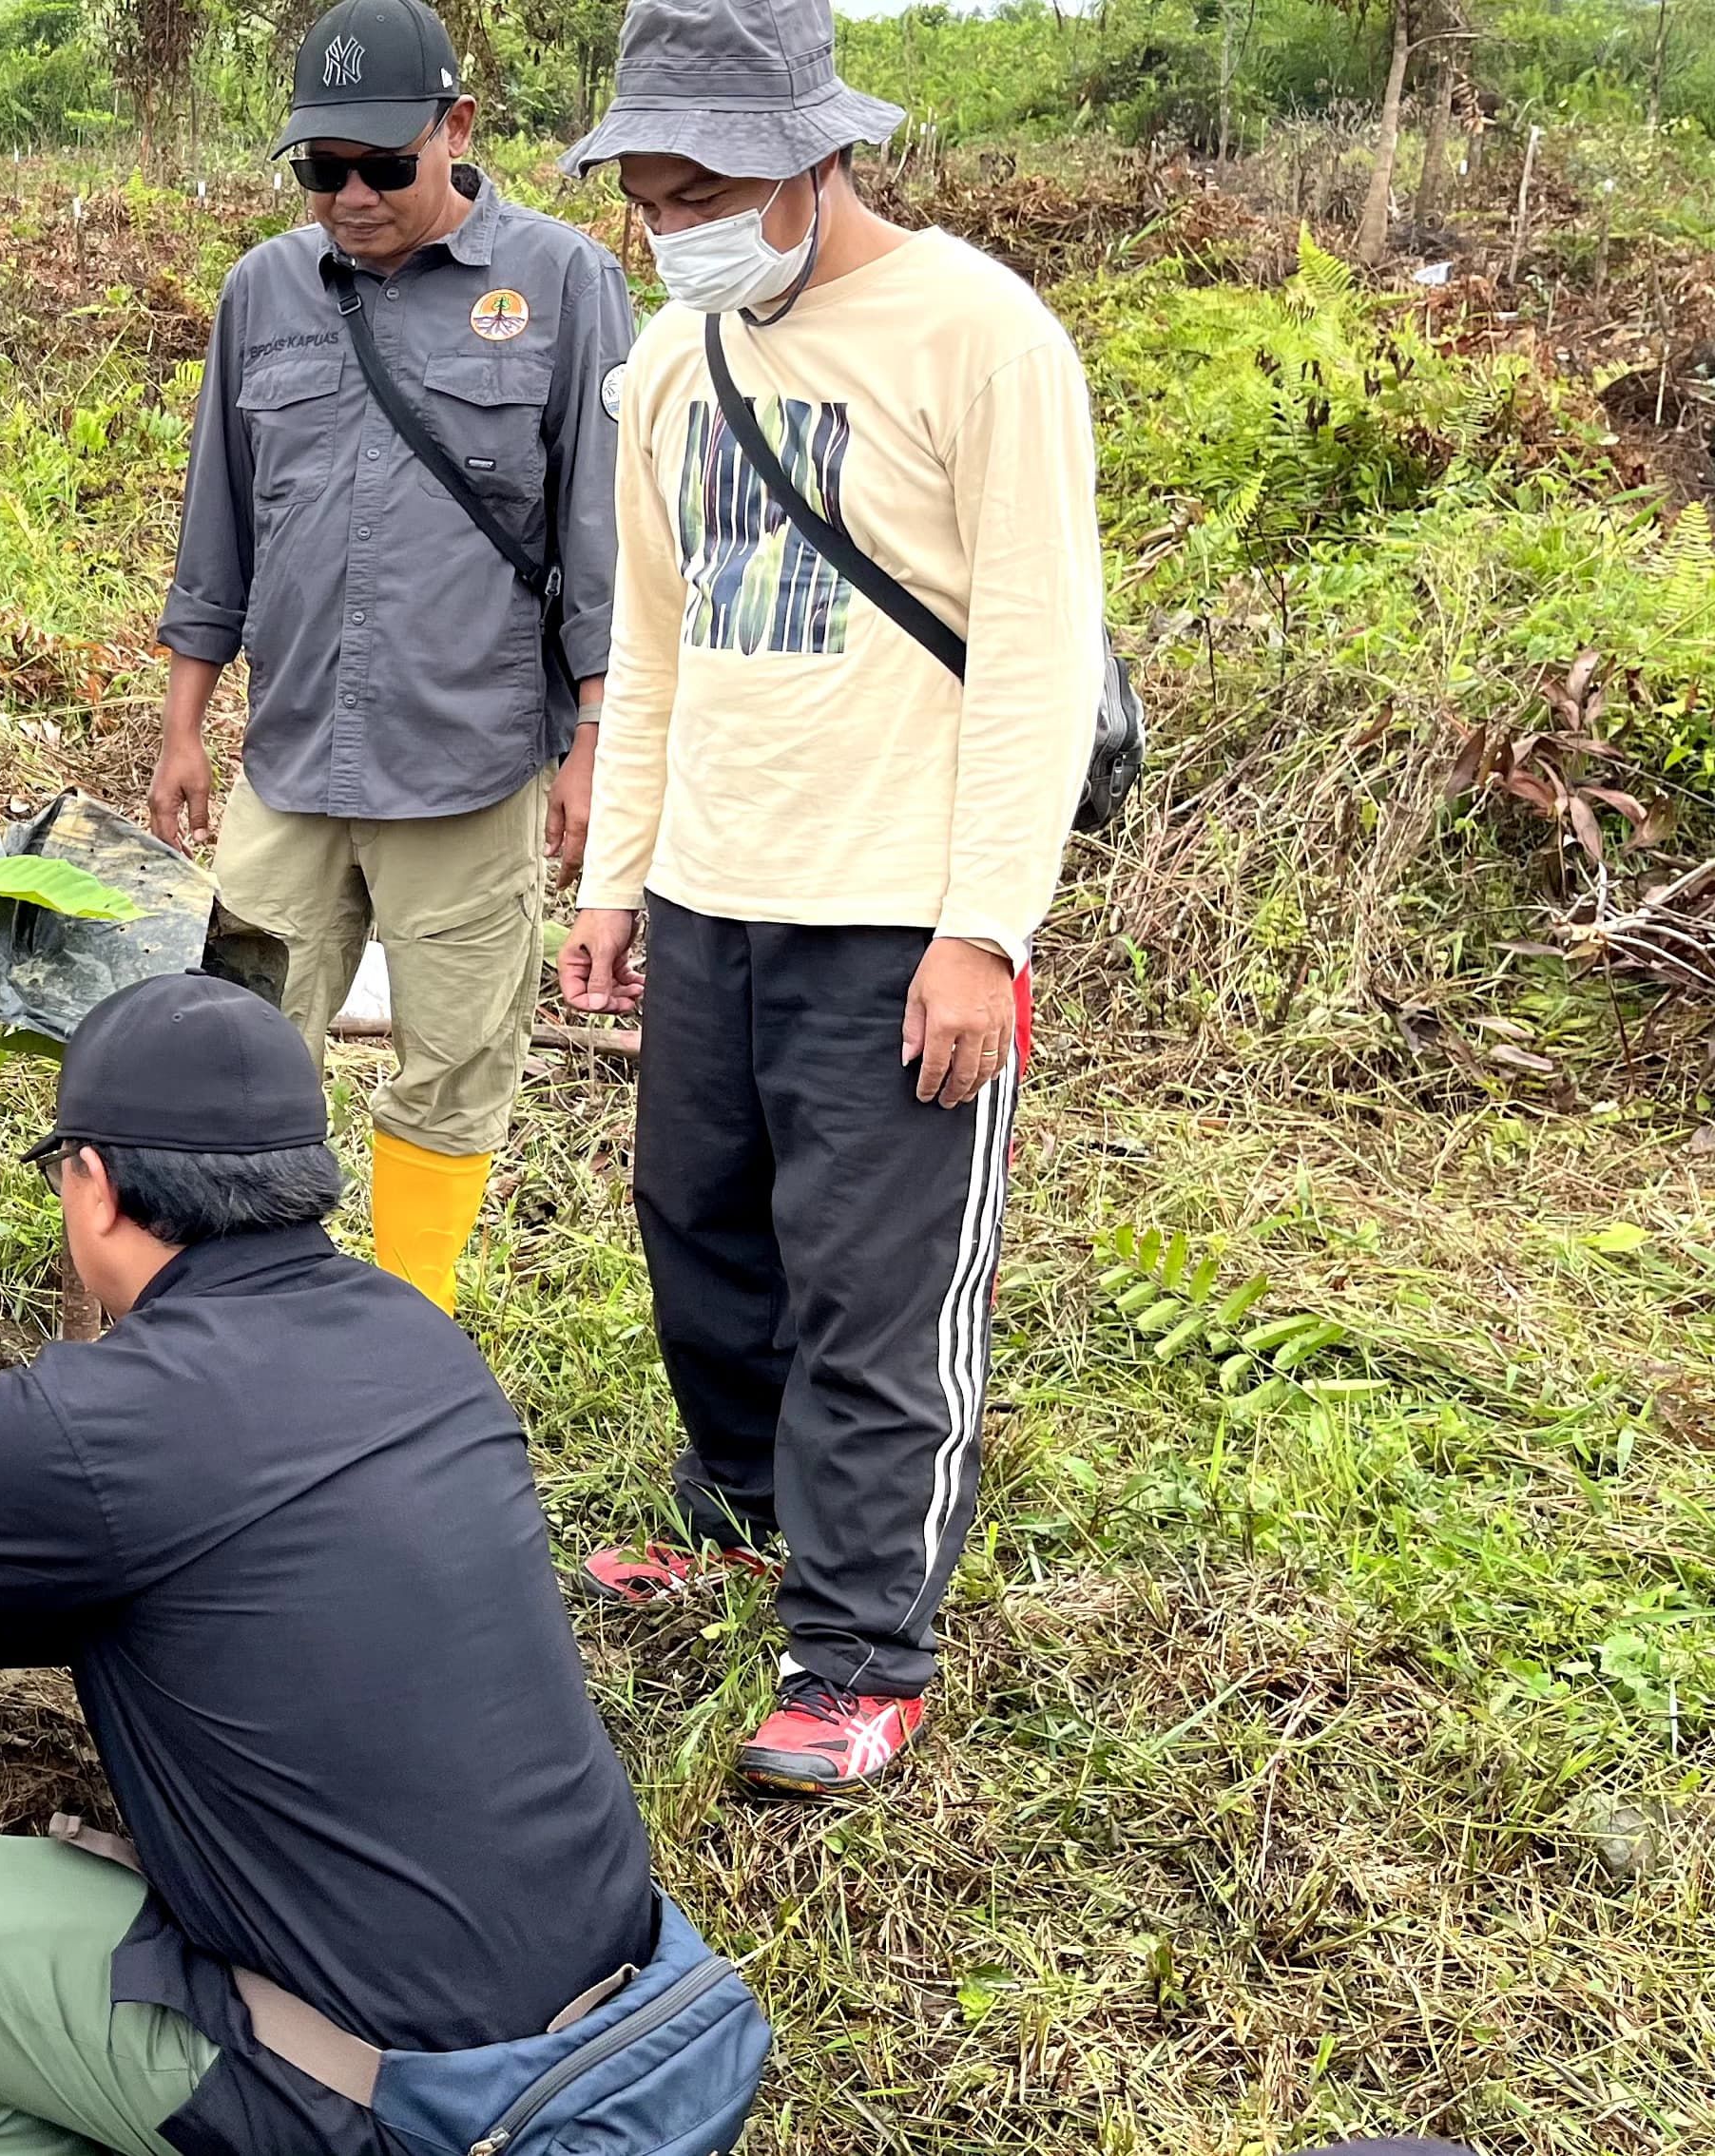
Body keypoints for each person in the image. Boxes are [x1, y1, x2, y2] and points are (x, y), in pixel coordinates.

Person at [0, 974, 671, 2156]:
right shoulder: (419, 1339)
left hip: (415, 2107)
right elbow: (102, 1596)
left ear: (94, 1185)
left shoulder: (86, 1425)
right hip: (627, 2024)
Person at [555, 0, 1105, 1796]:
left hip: (896, 906)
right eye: (644, 193)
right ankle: (739, 1511)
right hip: (715, 885)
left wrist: (981, 932)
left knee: (876, 1287)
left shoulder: (978, 333)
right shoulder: (667, 358)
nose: (672, 222)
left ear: (810, 153)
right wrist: (614, 875)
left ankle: (860, 1645)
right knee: (698, 1233)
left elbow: (1032, 657)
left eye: (701, 184)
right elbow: (650, 645)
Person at [147, 0, 630, 1317]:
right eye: (321, 171)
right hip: (291, 756)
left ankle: (411, 1321)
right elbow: (220, 527)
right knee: (243, 1041)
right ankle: (248, 1317)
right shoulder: (264, 293)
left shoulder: (564, 287)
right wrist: (186, 727)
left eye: (381, 166)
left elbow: (604, 543)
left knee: (456, 1054)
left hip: (468, 761)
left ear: (457, 129)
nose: (349, 197)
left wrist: (601, 749)